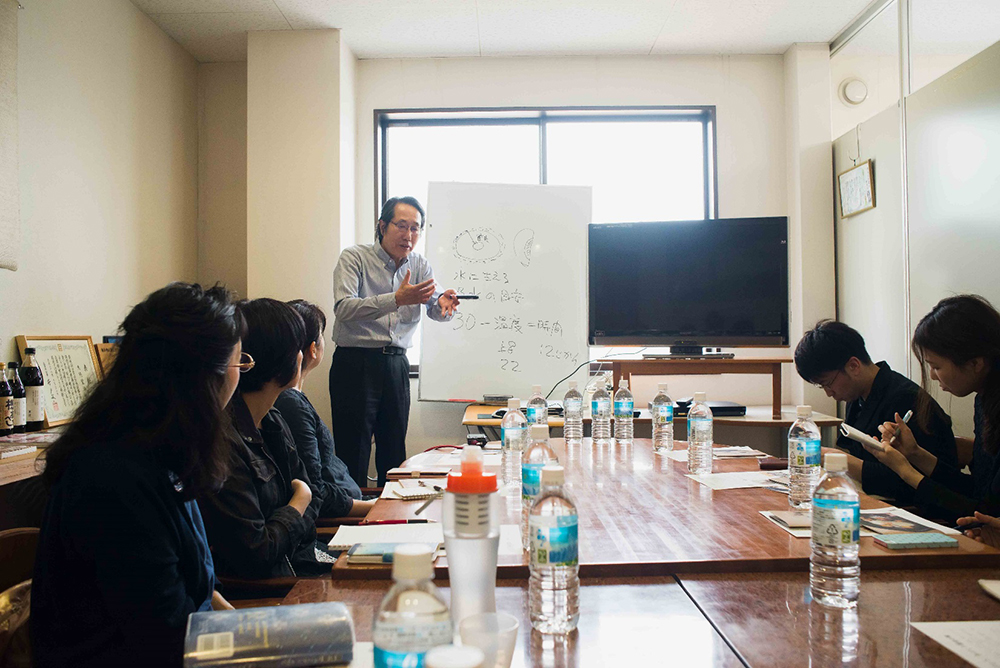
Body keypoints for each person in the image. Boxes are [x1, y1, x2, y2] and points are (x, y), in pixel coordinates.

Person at [31, 283, 243, 667]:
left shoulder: (161, 451)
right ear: (204, 379)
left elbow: (197, 593)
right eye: (239, 364)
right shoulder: (112, 478)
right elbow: (164, 640)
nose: (239, 377)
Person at [330, 196, 459, 486]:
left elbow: (435, 308)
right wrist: (396, 300)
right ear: (382, 226)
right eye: (402, 226)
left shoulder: (420, 264)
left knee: (394, 453)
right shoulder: (354, 258)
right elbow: (344, 308)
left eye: (416, 228)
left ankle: (390, 521)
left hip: (396, 365)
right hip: (355, 361)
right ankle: (353, 521)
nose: (409, 235)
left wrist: (445, 305)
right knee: (353, 452)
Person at [199, 298, 333, 579]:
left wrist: (299, 507)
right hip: (275, 589)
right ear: (284, 359)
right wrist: (298, 504)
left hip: (300, 564)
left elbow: (314, 497)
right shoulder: (224, 441)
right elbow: (258, 552)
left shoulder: (272, 420)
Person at [794, 320, 956, 505]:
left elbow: (909, 482)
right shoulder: (858, 397)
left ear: (853, 366)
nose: (829, 393)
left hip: (920, 507)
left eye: (828, 383)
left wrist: (843, 461)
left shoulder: (905, 399)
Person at [871, 294, 1000, 521]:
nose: (932, 375)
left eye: (936, 366)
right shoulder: (985, 399)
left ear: (976, 363)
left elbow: (984, 511)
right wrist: (915, 454)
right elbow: (979, 491)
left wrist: (905, 471)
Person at [274, 299, 375, 518]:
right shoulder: (292, 406)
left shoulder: (292, 399)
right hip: (342, 520)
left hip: (354, 506)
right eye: (322, 335)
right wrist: (376, 507)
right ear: (313, 349)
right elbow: (316, 492)